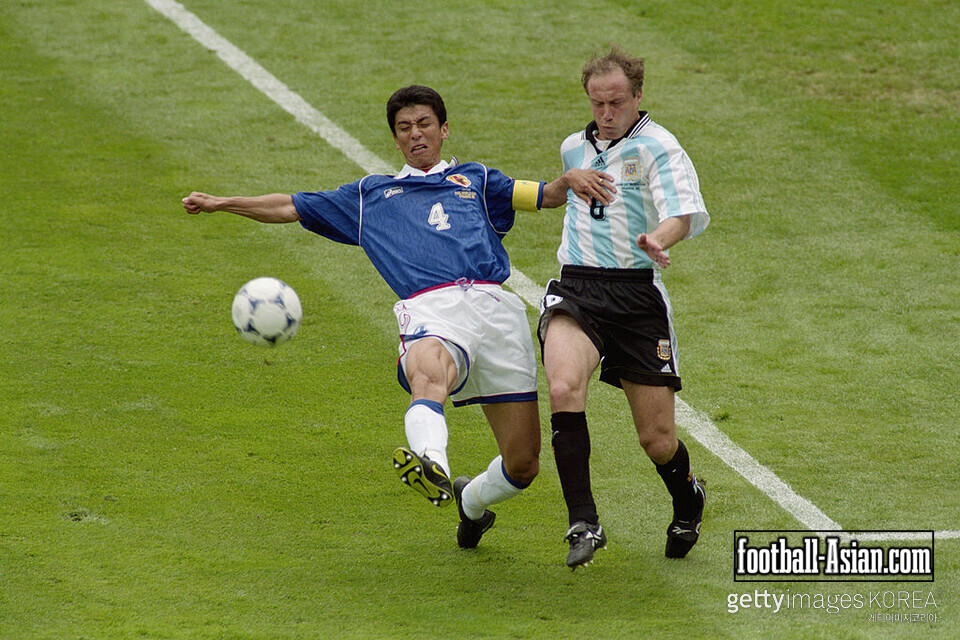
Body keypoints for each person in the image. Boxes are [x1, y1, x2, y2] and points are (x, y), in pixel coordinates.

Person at [182, 85, 604, 550]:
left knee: (523, 464)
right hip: (431, 309)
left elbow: (544, 195)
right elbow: (290, 205)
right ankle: (431, 462)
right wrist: (223, 203)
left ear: (443, 130)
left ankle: (470, 503)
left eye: (424, 124)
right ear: (396, 140)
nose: (415, 134)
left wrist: (571, 180)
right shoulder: (371, 196)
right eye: (404, 128)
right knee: (429, 374)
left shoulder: (479, 180)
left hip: (497, 313)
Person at [537, 46, 710, 569]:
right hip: (578, 289)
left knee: (656, 440)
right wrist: (565, 182)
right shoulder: (574, 147)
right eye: (597, 104)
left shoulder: (660, 147)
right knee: (565, 386)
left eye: (616, 103)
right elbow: (555, 196)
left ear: (637, 96)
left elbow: (681, 213)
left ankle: (688, 499)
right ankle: (583, 522)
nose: (606, 114)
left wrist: (658, 239)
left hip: (636, 296)